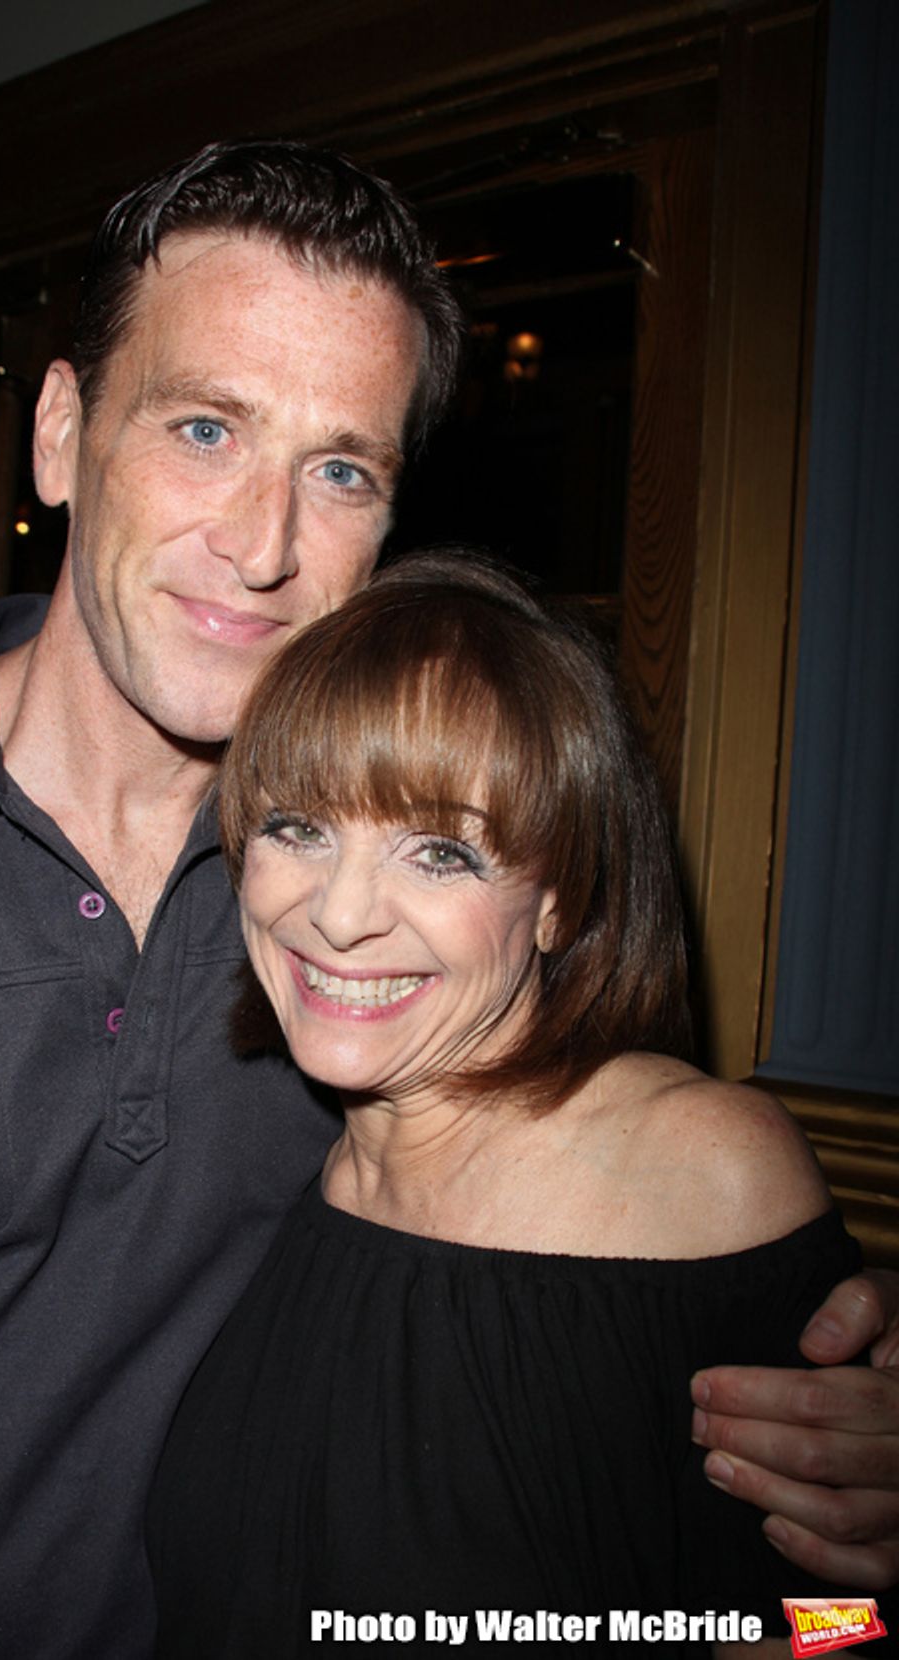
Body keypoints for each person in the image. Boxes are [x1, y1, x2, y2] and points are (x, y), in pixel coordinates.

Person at [0, 140, 894, 1660]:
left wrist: (838, 1407)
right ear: (61, 434)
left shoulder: (364, 923)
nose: (263, 546)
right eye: (205, 427)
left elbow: (766, 1550)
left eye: (340, 470)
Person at [148, 551, 883, 1655]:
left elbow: (848, 1620)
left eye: (441, 851)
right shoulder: (277, 1136)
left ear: (558, 899)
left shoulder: (695, 1165)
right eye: (297, 827)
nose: (339, 914)